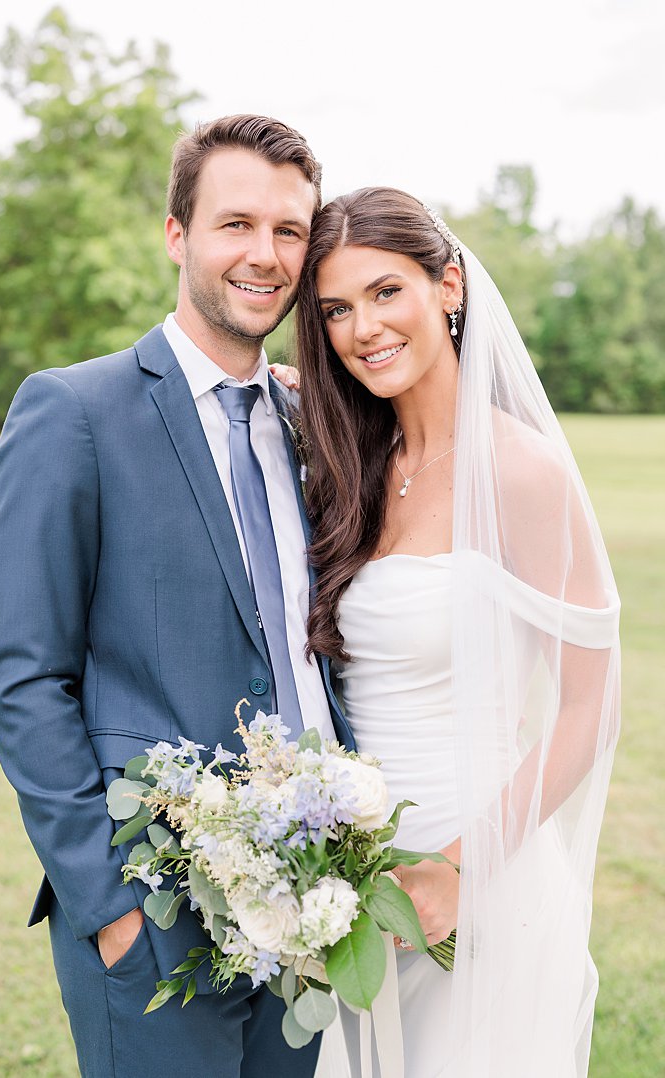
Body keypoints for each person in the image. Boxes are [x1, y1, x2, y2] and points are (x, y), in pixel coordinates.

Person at [0, 115, 354, 1076]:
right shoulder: (73, 412)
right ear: (178, 234)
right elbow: (24, 677)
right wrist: (108, 907)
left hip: (314, 899)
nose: (263, 254)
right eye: (235, 224)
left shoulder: (319, 421)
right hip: (153, 910)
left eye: (289, 231)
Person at [294, 188, 620, 1077]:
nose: (364, 328)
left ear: (448, 287)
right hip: (355, 882)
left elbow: (590, 704)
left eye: (386, 292)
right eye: (336, 309)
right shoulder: (355, 467)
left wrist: (457, 867)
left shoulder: (519, 469)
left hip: (481, 866)